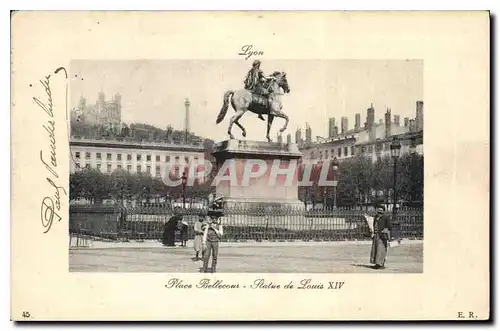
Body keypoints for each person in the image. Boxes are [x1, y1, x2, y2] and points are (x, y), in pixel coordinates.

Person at [370, 205, 393, 269]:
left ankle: (381, 264)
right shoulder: (375, 217)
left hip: (382, 236)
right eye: (378, 211)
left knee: (381, 250)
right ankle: (377, 264)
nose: (379, 213)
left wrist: (385, 229)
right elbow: (373, 225)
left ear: (383, 212)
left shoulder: (386, 217)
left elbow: (389, 226)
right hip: (376, 235)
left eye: (381, 212)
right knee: (375, 249)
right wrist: (373, 232)